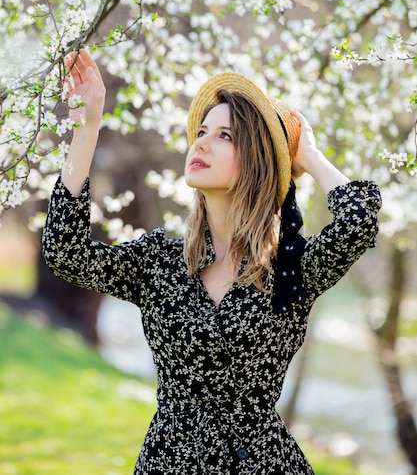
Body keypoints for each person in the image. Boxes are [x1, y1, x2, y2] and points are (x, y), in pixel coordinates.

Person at [42, 49, 382, 475]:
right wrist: (86, 126)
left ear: (256, 162)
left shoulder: (291, 269)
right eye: (201, 131)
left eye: (225, 135)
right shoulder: (159, 262)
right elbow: (65, 253)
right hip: (169, 463)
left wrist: (307, 156)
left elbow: (359, 221)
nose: (200, 141)